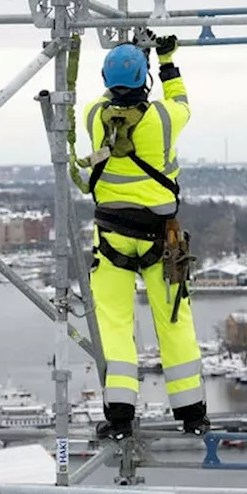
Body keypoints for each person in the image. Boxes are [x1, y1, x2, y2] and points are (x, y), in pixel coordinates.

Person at [82, 30, 209, 441]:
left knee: (115, 324)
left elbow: (109, 99)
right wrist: (164, 59)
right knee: (173, 321)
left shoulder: (91, 116)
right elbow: (181, 101)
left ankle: (120, 415)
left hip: (111, 237)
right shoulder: (164, 120)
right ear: (145, 80)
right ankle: (191, 414)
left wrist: (133, 57)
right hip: (161, 238)